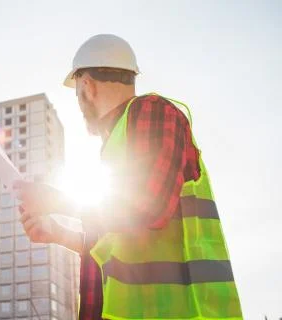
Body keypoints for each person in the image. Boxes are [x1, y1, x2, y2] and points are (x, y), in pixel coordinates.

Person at [14, 34, 243, 320]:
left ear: (87, 85)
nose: (79, 102)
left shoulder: (151, 111)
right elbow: (122, 243)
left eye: (77, 93)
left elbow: (149, 207)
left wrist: (57, 201)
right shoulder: (117, 142)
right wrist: (59, 234)